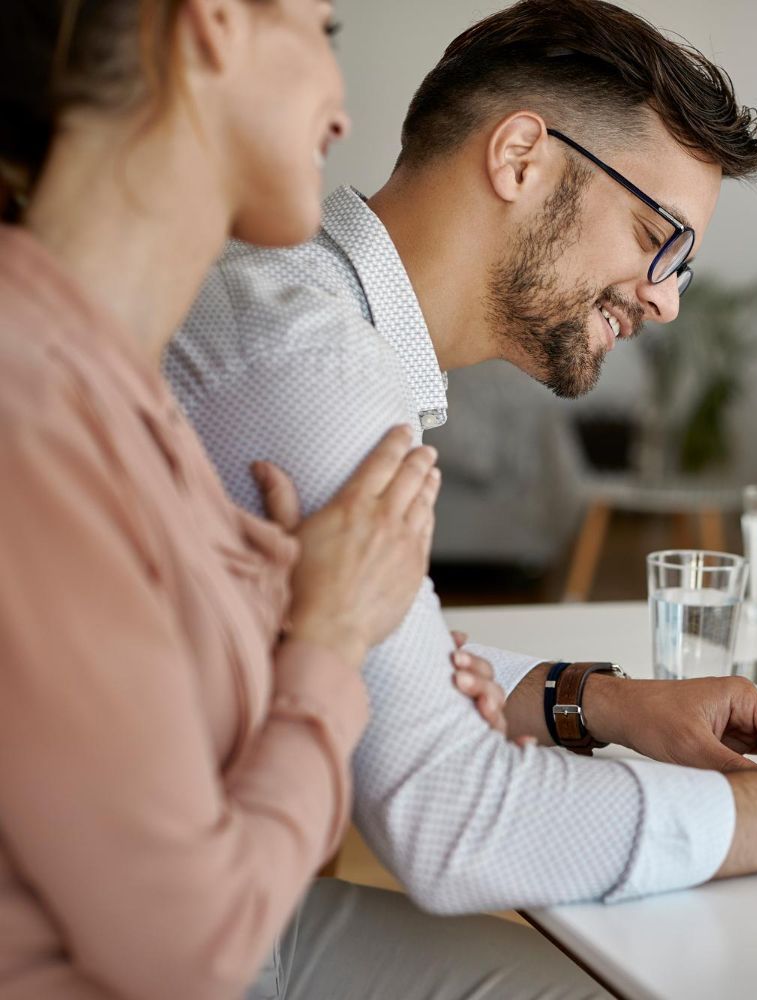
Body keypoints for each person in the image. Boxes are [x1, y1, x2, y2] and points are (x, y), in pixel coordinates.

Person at [166, 0, 757, 942]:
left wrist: (596, 700)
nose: (664, 301)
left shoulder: (304, 311)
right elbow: (449, 816)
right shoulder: (321, 370)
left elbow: (374, 661)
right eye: (662, 237)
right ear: (520, 158)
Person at [0, 0, 462, 995]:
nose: (342, 112)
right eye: (324, 33)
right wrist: (330, 643)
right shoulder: (32, 409)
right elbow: (192, 952)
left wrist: (293, 604)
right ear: (213, 20)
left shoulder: (113, 383)